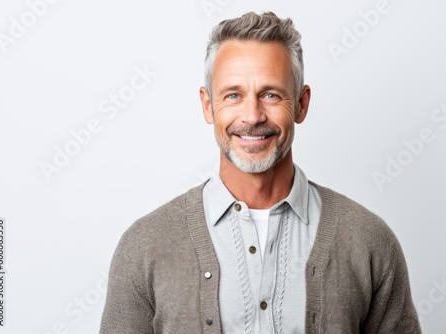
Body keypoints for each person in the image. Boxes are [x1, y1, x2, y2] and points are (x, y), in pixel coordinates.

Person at [100, 11, 421, 334]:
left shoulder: (369, 241)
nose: (252, 116)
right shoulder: (145, 246)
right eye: (234, 95)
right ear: (208, 105)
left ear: (301, 103)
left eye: (270, 94)